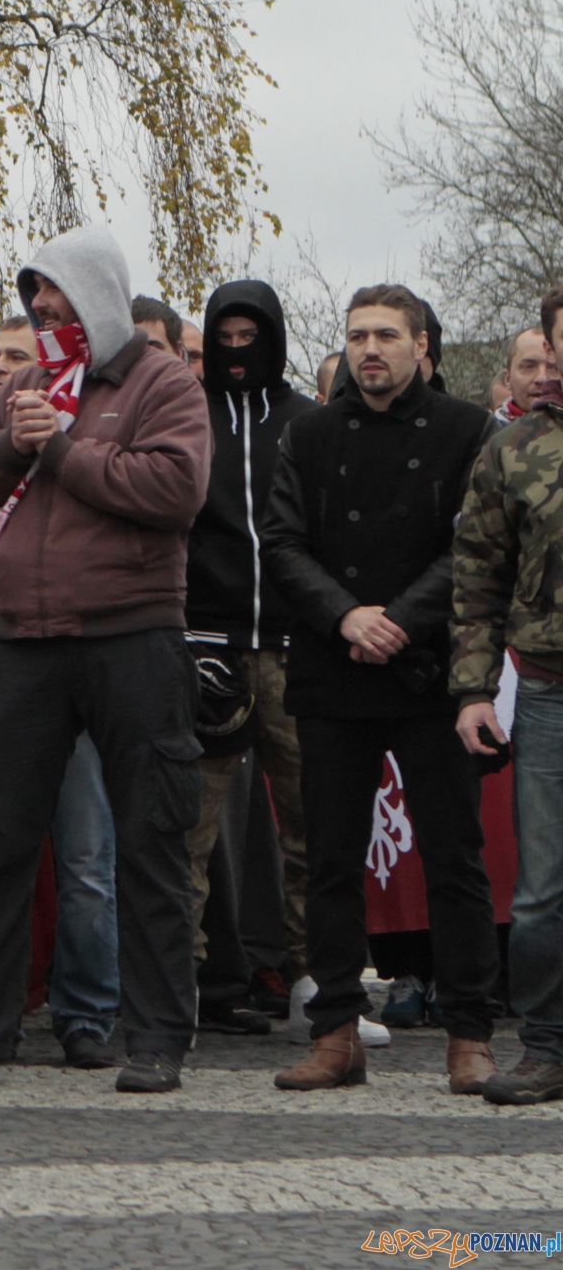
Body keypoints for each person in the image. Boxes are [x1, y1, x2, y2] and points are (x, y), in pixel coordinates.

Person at [0, 226, 209, 1095]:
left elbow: (174, 491)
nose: (41, 307)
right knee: (0, 839)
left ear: (95, 291)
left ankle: (157, 1036)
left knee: (151, 842)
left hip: (133, 636)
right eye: (33, 293)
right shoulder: (21, 384)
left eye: (52, 291)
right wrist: (13, 440)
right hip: (23, 641)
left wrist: (57, 449)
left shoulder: (162, 382)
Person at [262, 285, 498, 1094]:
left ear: (422, 346)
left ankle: (469, 1033)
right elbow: (282, 542)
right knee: (327, 858)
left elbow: (474, 545)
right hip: (333, 670)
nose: (371, 349)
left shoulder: (470, 430)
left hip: (431, 669)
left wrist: (397, 618)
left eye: (388, 336)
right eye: (358, 335)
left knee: (454, 858)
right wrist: (345, 617)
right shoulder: (309, 433)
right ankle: (334, 1032)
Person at [181, 283, 313, 1036]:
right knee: (187, 833)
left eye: (249, 336)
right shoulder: (186, 418)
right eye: (222, 337)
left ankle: (316, 982)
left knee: (314, 829)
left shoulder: (307, 423)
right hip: (208, 652)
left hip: (298, 653)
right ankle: (182, 984)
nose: (236, 351)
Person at [451, 284, 563, 1107]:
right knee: (542, 890)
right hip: (552, 689)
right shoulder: (514, 450)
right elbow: (477, 581)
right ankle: (547, 1047)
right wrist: (473, 691)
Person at [494, 325, 559, 423]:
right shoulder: (487, 435)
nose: (542, 378)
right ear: (508, 379)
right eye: (529, 367)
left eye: (554, 368)